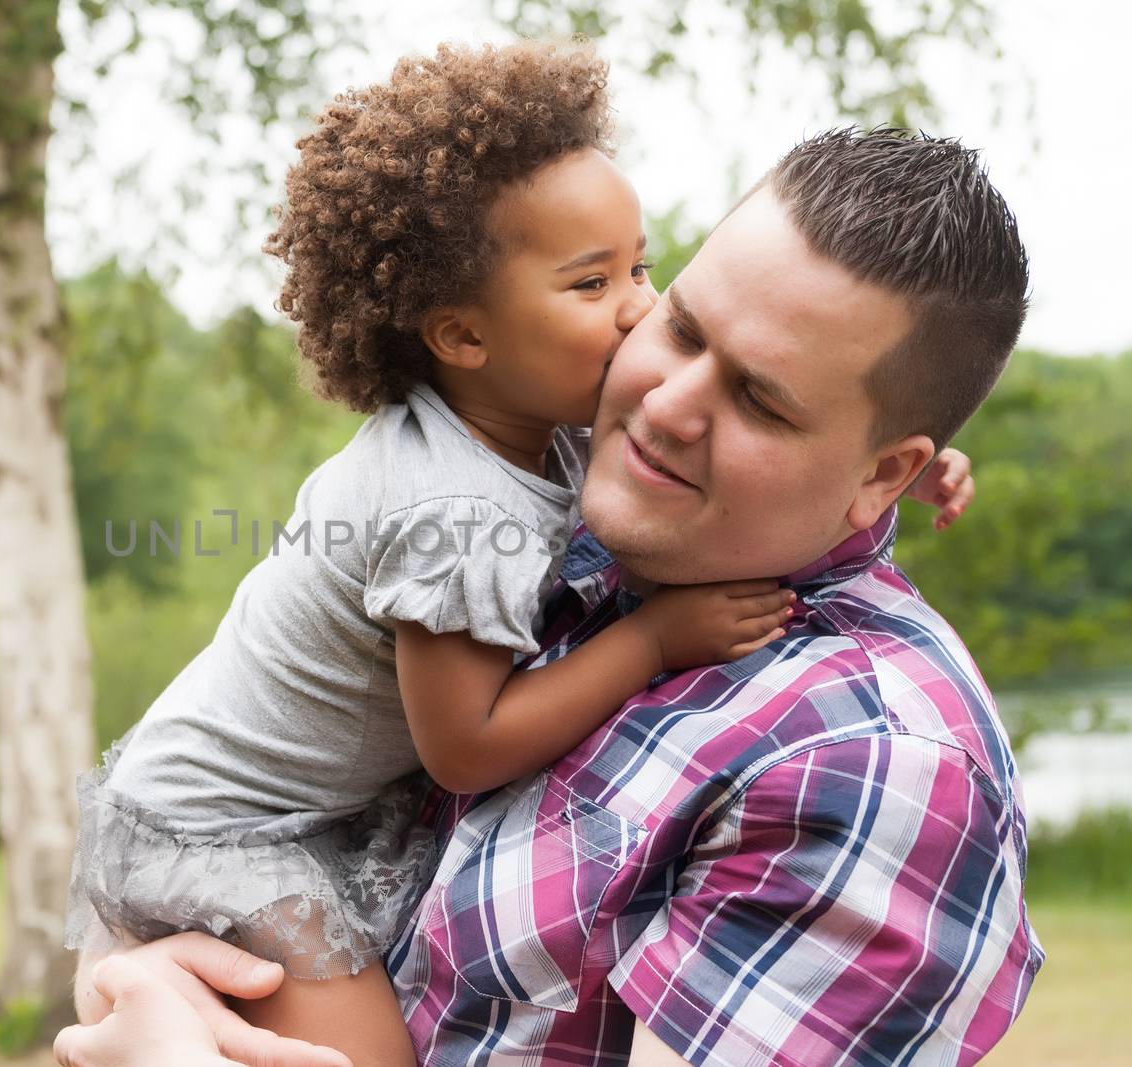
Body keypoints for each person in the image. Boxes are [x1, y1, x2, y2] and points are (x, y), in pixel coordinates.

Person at [55, 121, 1038, 1067]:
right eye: (682, 326)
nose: (662, 402)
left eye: (758, 399)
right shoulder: (565, 533)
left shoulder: (870, 762)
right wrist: (135, 992)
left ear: (883, 471)